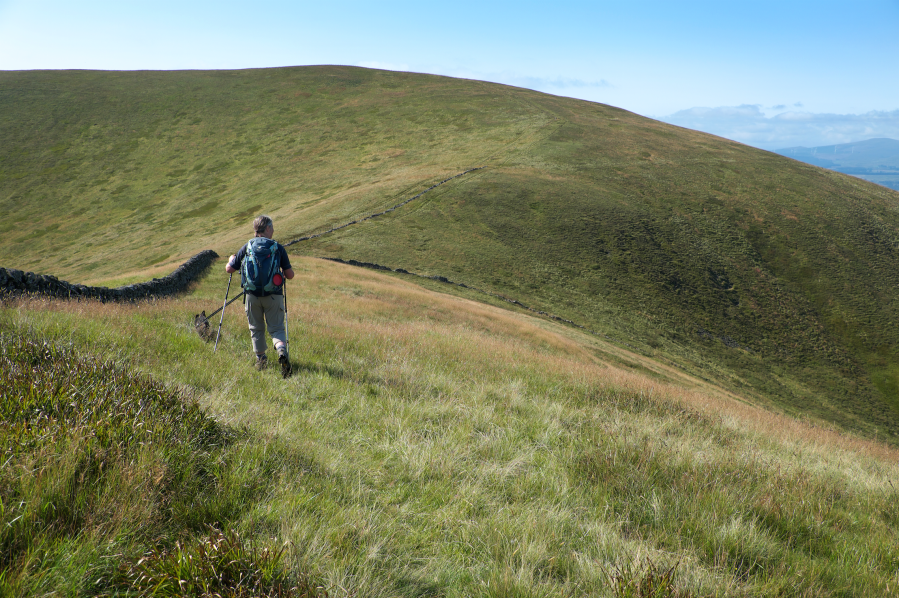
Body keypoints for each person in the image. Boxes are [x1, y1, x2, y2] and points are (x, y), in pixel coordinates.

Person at [226, 215, 295, 376]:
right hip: (274, 296)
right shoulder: (277, 247)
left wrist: (231, 259)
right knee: (277, 328)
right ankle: (281, 350)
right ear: (268, 228)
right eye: (272, 227)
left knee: (256, 328)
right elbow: (290, 275)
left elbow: (230, 269)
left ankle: (261, 360)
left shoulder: (248, 246)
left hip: (252, 296)